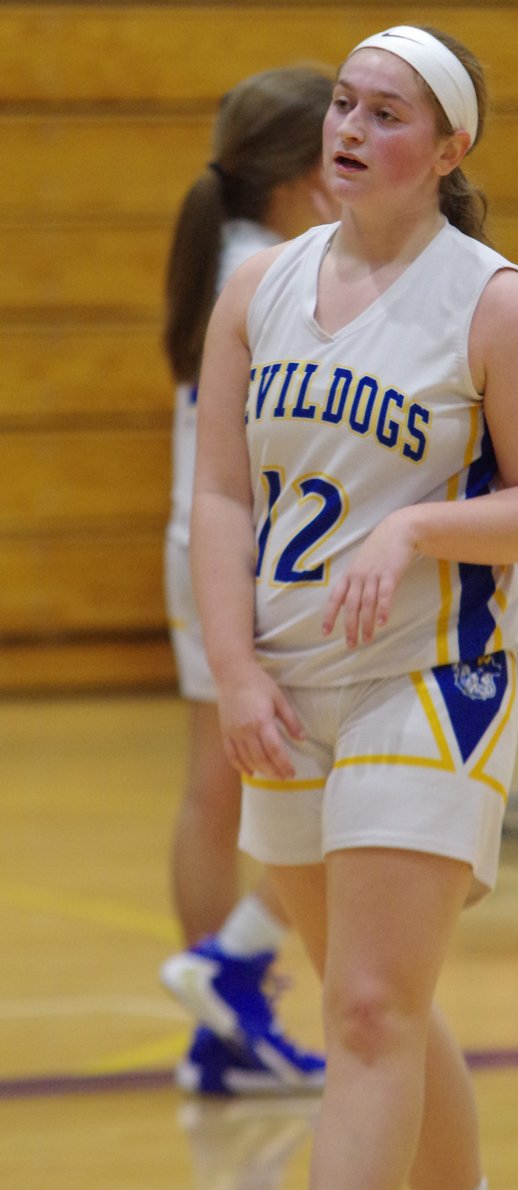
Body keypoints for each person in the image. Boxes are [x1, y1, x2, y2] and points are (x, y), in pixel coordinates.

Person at [191, 24, 518, 1190]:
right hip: (287, 680)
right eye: (343, 105)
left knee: (368, 1010)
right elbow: (220, 495)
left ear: (449, 148)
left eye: (385, 114)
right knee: (373, 1003)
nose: (351, 130)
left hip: (428, 674)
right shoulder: (258, 287)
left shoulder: (494, 304)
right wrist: (234, 670)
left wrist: (417, 529)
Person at [161, 65, 337, 1095]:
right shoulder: (280, 274)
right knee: (342, 786)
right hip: (258, 554)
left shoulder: (221, 255)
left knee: (213, 790)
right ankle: (232, 968)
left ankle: (221, 1019)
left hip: (200, 542)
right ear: (304, 171)